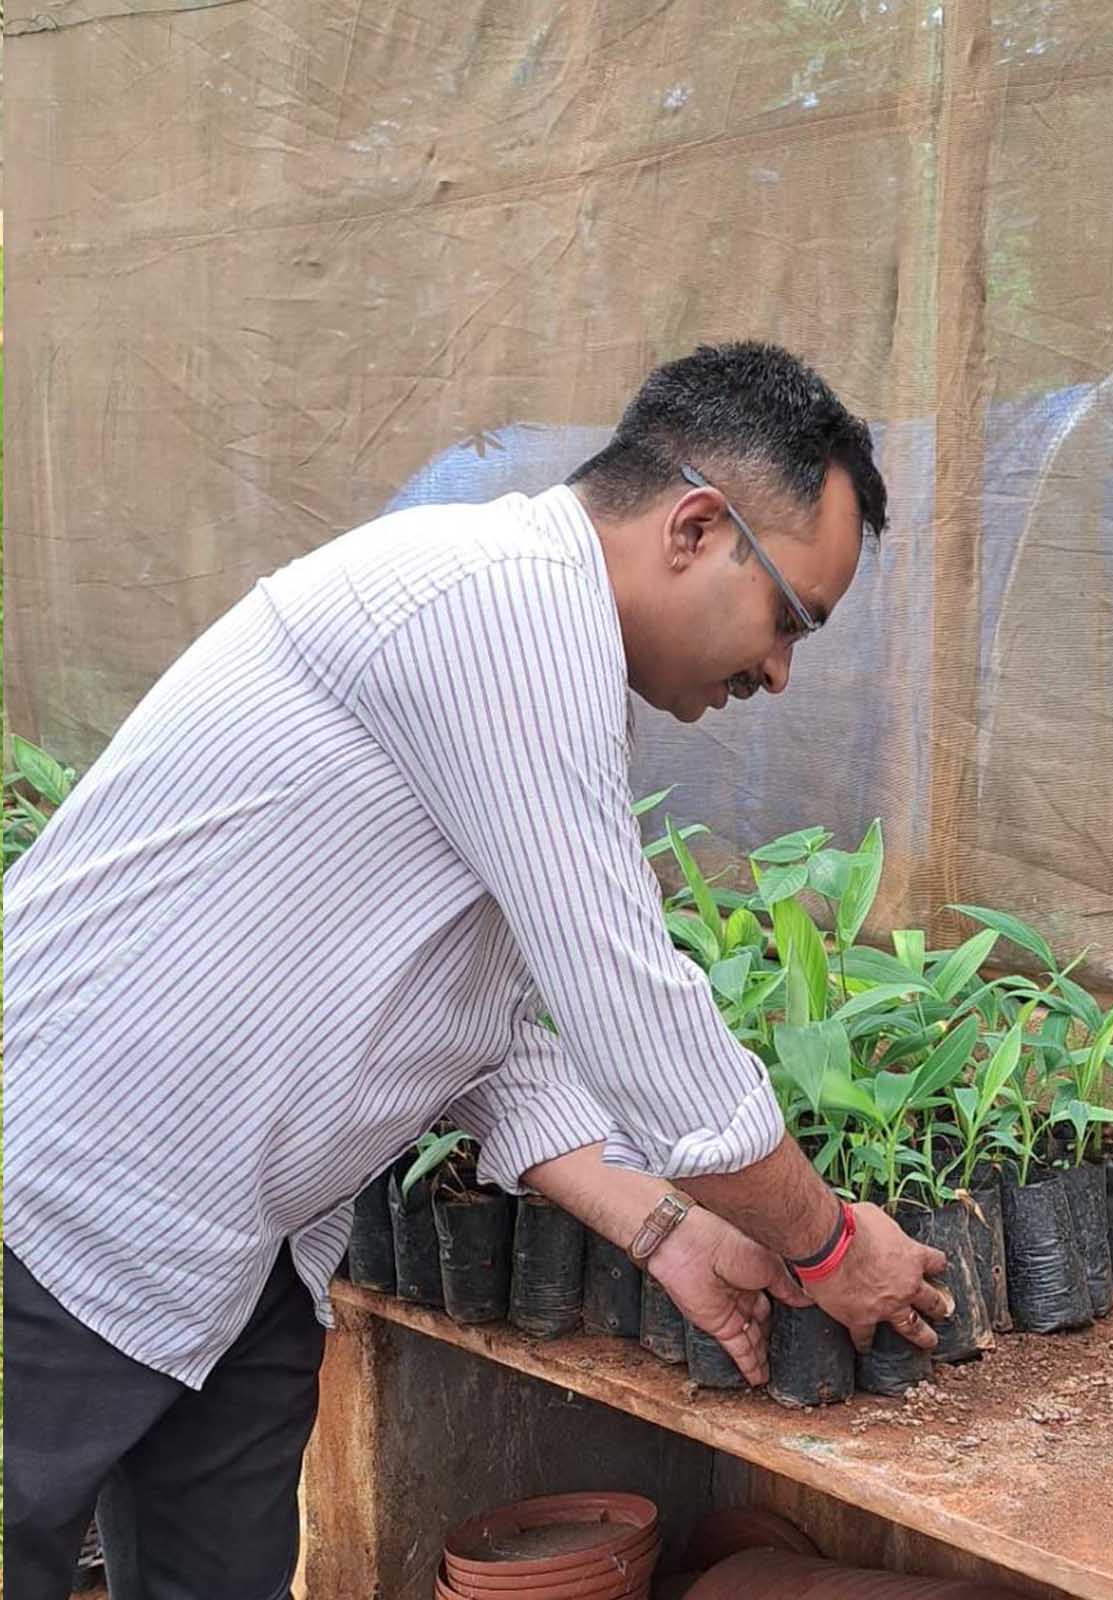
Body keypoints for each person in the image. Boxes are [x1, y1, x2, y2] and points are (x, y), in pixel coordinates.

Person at [4, 341, 949, 1598]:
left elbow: (483, 1034)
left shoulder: (539, 658)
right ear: (695, 528)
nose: (779, 672)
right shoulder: (499, 609)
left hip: (234, 1247)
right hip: (62, 1203)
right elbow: (632, 1009)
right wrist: (830, 1246)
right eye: (790, 617)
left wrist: (669, 1230)